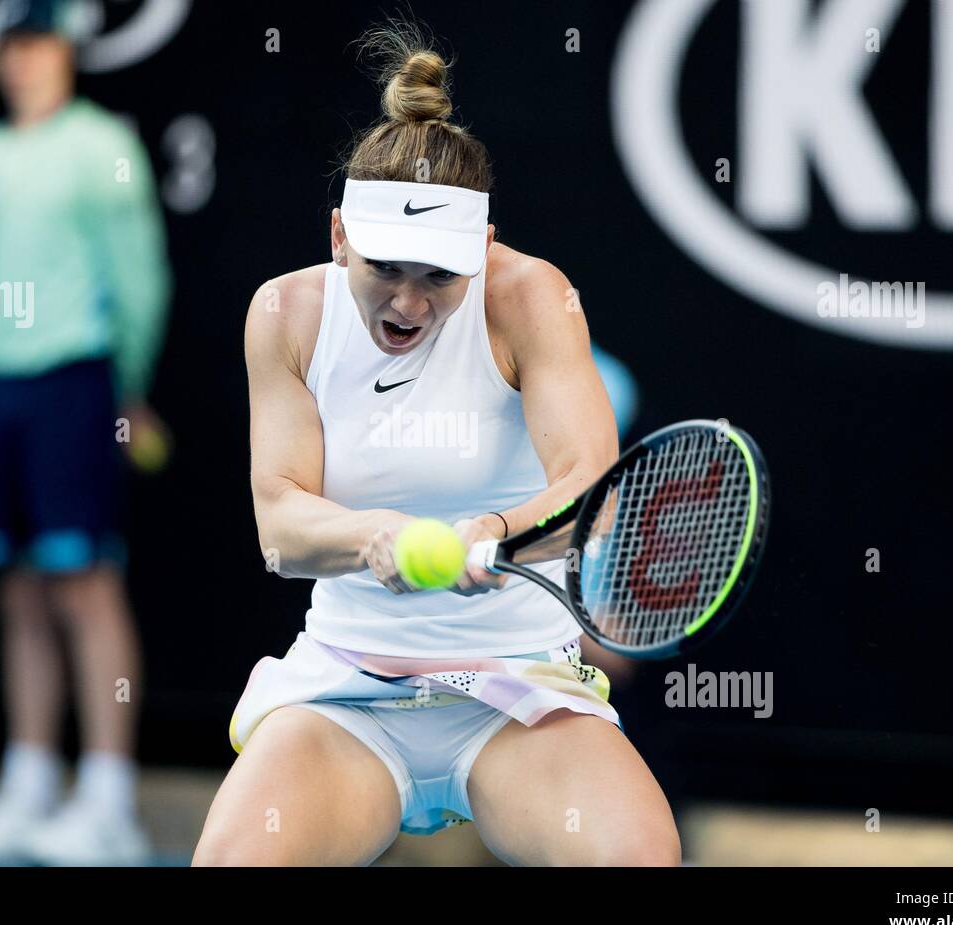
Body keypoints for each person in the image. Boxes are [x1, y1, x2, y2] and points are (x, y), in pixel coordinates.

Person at [193, 23, 680, 866]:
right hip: (346, 695)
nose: (409, 304)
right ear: (339, 236)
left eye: (439, 276)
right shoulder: (284, 314)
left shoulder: (534, 298)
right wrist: (373, 535)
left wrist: (493, 530)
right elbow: (280, 525)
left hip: (520, 691)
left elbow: (590, 488)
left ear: (483, 253)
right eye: (386, 266)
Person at [0, 0, 171, 866]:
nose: (21, 61)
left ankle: (108, 805)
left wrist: (128, 388)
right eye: (10, 47)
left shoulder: (103, 146)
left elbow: (138, 277)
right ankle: (27, 789)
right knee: (18, 590)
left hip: (78, 380)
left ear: (65, 50)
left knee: (86, 587)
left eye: (37, 43)